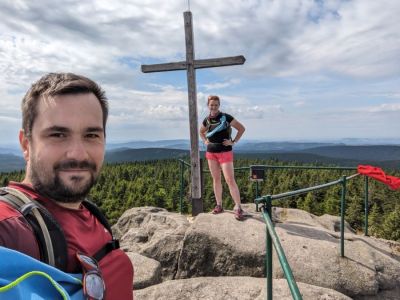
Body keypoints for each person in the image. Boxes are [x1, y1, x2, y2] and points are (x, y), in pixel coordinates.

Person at [0, 73, 133, 299]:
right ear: (26, 144)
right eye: (58, 134)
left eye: (91, 135)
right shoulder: (10, 229)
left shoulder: (95, 218)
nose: (78, 154)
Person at [199, 95, 246, 220]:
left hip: (225, 152)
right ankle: (219, 205)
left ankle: (238, 207)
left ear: (219, 105)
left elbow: (241, 128)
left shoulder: (226, 117)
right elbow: (201, 131)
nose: (213, 106)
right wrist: (205, 141)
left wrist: (233, 142)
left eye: (216, 104)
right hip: (211, 153)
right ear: (208, 106)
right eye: (211, 105)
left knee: (230, 180)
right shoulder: (206, 120)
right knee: (216, 179)